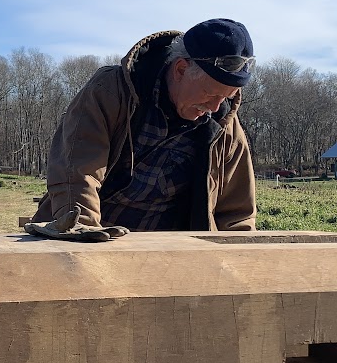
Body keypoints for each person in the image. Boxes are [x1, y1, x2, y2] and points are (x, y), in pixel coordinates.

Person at [26, 18, 257, 241]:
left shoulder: (224, 128)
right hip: (95, 239)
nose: (215, 108)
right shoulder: (112, 91)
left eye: (226, 97)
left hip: (166, 257)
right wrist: (82, 229)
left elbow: (238, 215)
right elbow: (77, 171)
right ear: (181, 69)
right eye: (211, 94)